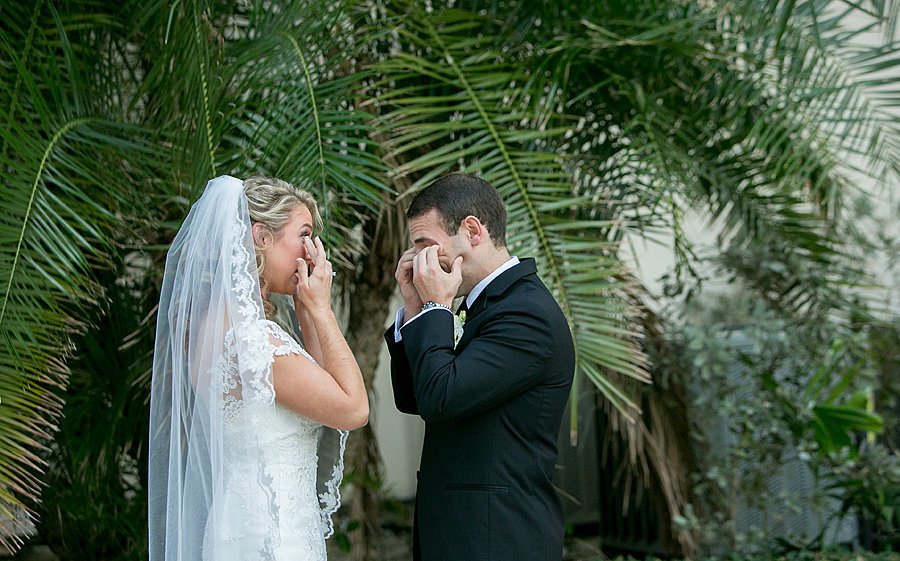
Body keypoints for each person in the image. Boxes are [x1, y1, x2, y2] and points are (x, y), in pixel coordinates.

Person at [149, 175, 368, 561]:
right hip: (274, 539)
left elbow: (322, 391)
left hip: (237, 527)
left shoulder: (216, 330)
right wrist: (322, 309)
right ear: (261, 236)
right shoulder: (254, 342)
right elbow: (353, 409)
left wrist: (306, 314)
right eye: (303, 234)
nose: (311, 251)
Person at [384, 174, 576, 560]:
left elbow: (442, 396)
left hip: (498, 536)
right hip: (459, 532)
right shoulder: (477, 306)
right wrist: (415, 309)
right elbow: (414, 398)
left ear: (472, 231)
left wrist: (437, 308)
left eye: (425, 245)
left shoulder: (526, 313)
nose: (418, 261)